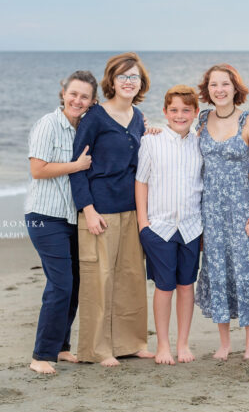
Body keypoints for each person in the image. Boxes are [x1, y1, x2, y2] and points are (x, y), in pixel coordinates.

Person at [69, 52, 155, 367]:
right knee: (99, 280)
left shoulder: (138, 118)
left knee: (131, 278)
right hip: (100, 210)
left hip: (133, 209)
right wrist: (88, 210)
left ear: (141, 81)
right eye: (122, 76)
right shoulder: (94, 117)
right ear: (111, 81)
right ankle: (96, 349)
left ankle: (130, 343)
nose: (129, 82)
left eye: (134, 76)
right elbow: (77, 167)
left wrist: (155, 132)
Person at [194, 63, 249, 361]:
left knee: (247, 275)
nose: (219, 90)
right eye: (213, 85)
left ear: (235, 88)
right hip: (211, 212)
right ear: (207, 91)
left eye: (225, 84)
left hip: (243, 210)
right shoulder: (202, 121)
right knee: (218, 272)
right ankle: (224, 343)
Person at [24, 70, 98, 375]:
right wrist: (76, 166)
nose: (77, 100)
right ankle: (41, 355)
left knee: (75, 284)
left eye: (84, 96)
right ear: (63, 93)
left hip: (71, 216)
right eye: (73, 94)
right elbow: (37, 170)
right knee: (61, 284)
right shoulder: (48, 124)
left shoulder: (84, 127)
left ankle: (61, 346)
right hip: (45, 215)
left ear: (93, 101)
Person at [135, 85, 203, 366]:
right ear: (164, 112)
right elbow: (141, 181)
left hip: (191, 227)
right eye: (173, 110)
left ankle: (183, 343)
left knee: (186, 286)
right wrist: (143, 224)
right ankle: (163, 345)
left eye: (186, 110)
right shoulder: (151, 140)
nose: (180, 115)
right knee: (164, 287)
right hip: (159, 227)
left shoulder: (201, 143)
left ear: (195, 113)